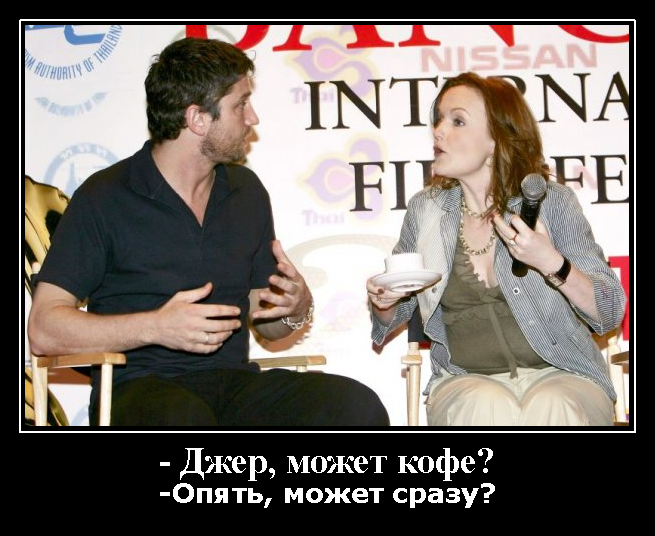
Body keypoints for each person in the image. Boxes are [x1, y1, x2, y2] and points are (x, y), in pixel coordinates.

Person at [28, 37, 389, 427]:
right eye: (240, 105)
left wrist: (295, 309)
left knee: (356, 406)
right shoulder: (106, 196)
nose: (253, 118)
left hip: (233, 386)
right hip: (140, 388)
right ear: (197, 118)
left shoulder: (245, 191)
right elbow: (44, 329)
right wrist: (156, 326)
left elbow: (266, 323)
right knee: (184, 419)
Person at [367, 72, 626, 426]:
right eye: (439, 120)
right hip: (465, 379)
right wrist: (384, 302)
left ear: (495, 139)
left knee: (553, 404)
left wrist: (551, 262)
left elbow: (609, 311)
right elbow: (396, 310)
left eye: (458, 121)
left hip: (563, 372)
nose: (438, 131)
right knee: (484, 405)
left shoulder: (553, 202)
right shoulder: (426, 210)